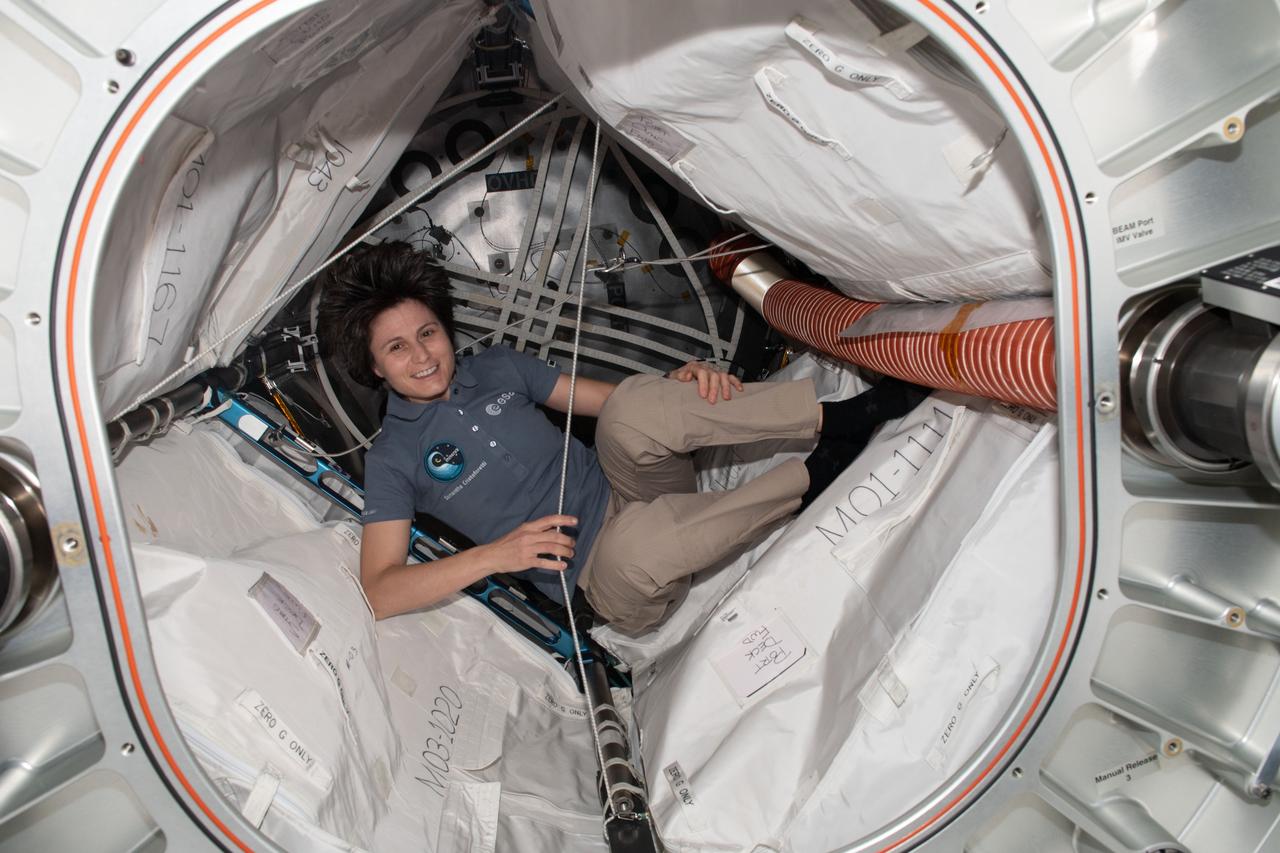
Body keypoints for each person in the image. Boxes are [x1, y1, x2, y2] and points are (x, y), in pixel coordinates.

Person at [317, 242, 924, 634]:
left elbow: (616, 406)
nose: (423, 355)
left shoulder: (496, 368)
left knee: (632, 409)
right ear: (374, 367)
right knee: (635, 545)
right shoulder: (392, 459)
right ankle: (814, 475)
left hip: (632, 491)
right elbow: (381, 590)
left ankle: (833, 418)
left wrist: (678, 383)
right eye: (397, 347)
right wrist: (498, 556)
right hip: (607, 583)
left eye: (428, 333)